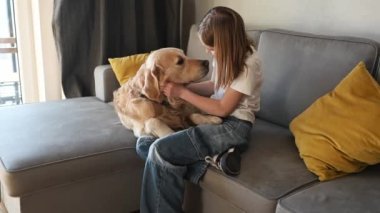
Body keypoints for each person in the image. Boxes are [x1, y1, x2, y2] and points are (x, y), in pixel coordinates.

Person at [136, 6, 263, 213]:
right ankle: (216, 158)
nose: (208, 52)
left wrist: (183, 93)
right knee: (144, 142)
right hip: (217, 119)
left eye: (211, 48)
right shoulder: (226, 56)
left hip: (234, 125)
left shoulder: (249, 64)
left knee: (160, 151)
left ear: (225, 43)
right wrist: (180, 89)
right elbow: (216, 86)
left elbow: (223, 108)